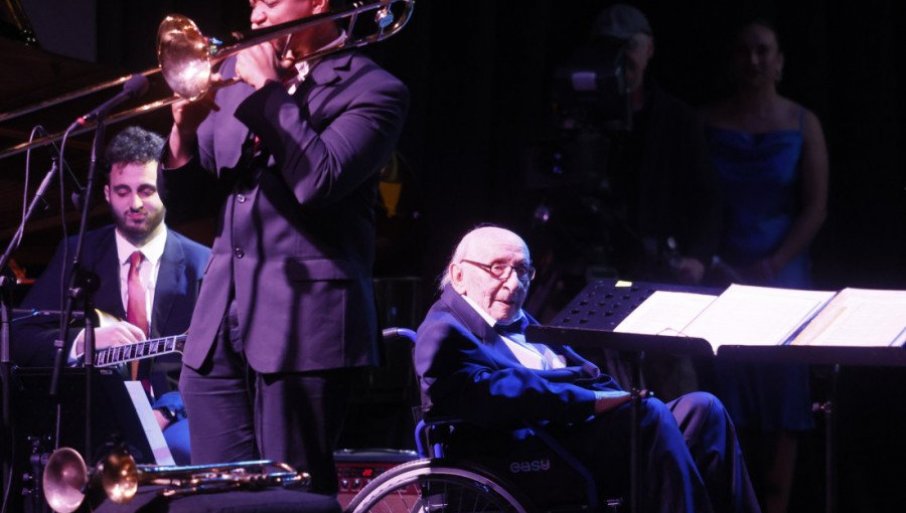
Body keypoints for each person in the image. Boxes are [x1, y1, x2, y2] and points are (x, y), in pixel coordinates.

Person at [159, 0, 409, 495]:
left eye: (270, 2)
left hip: (306, 329)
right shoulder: (233, 78)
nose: (255, 16)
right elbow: (186, 205)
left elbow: (319, 180)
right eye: (253, 3)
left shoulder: (373, 89)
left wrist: (270, 91)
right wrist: (182, 133)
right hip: (217, 326)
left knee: (291, 496)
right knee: (217, 499)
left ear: (317, 3)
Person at [414, 225, 761, 513]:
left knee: (704, 408)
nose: (514, 282)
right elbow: (487, 394)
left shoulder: (517, 318)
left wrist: (614, 394)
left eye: (522, 270)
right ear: (459, 275)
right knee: (648, 414)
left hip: (574, 435)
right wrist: (590, 401)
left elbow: (584, 371)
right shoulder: (444, 329)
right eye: (497, 268)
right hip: (528, 450)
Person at [532, 3, 720, 401]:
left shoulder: (676, 118)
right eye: (609, 48)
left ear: (649, 49)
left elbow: (706, 196)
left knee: (674, 383)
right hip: (588, 269)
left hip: (655, 271)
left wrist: (698, 257)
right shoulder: (576, 116)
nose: (620, 59)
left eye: (628, 46)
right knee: (581, 378)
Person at [13, 125, 211, 465]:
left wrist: (170, 410)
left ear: (165, 189)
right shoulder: (77, 253)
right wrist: (82, 342)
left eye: (147, 190)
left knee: (184, 452)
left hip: (176, 413)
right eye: (122, 191)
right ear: (106, 194)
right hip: (93, 414)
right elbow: (18, 336)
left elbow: (225, 360)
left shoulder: (202, 262)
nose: (135, 203)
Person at [700, 19, 829, 513]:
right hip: (722, 271)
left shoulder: (803, 122)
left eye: (763, 50)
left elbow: (816, 206)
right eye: (744, 51)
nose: (753, 60)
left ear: (779, 61)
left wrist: (775, 262)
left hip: (783, 273)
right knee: (725, 390)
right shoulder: (705, 121)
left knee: (783, 399)